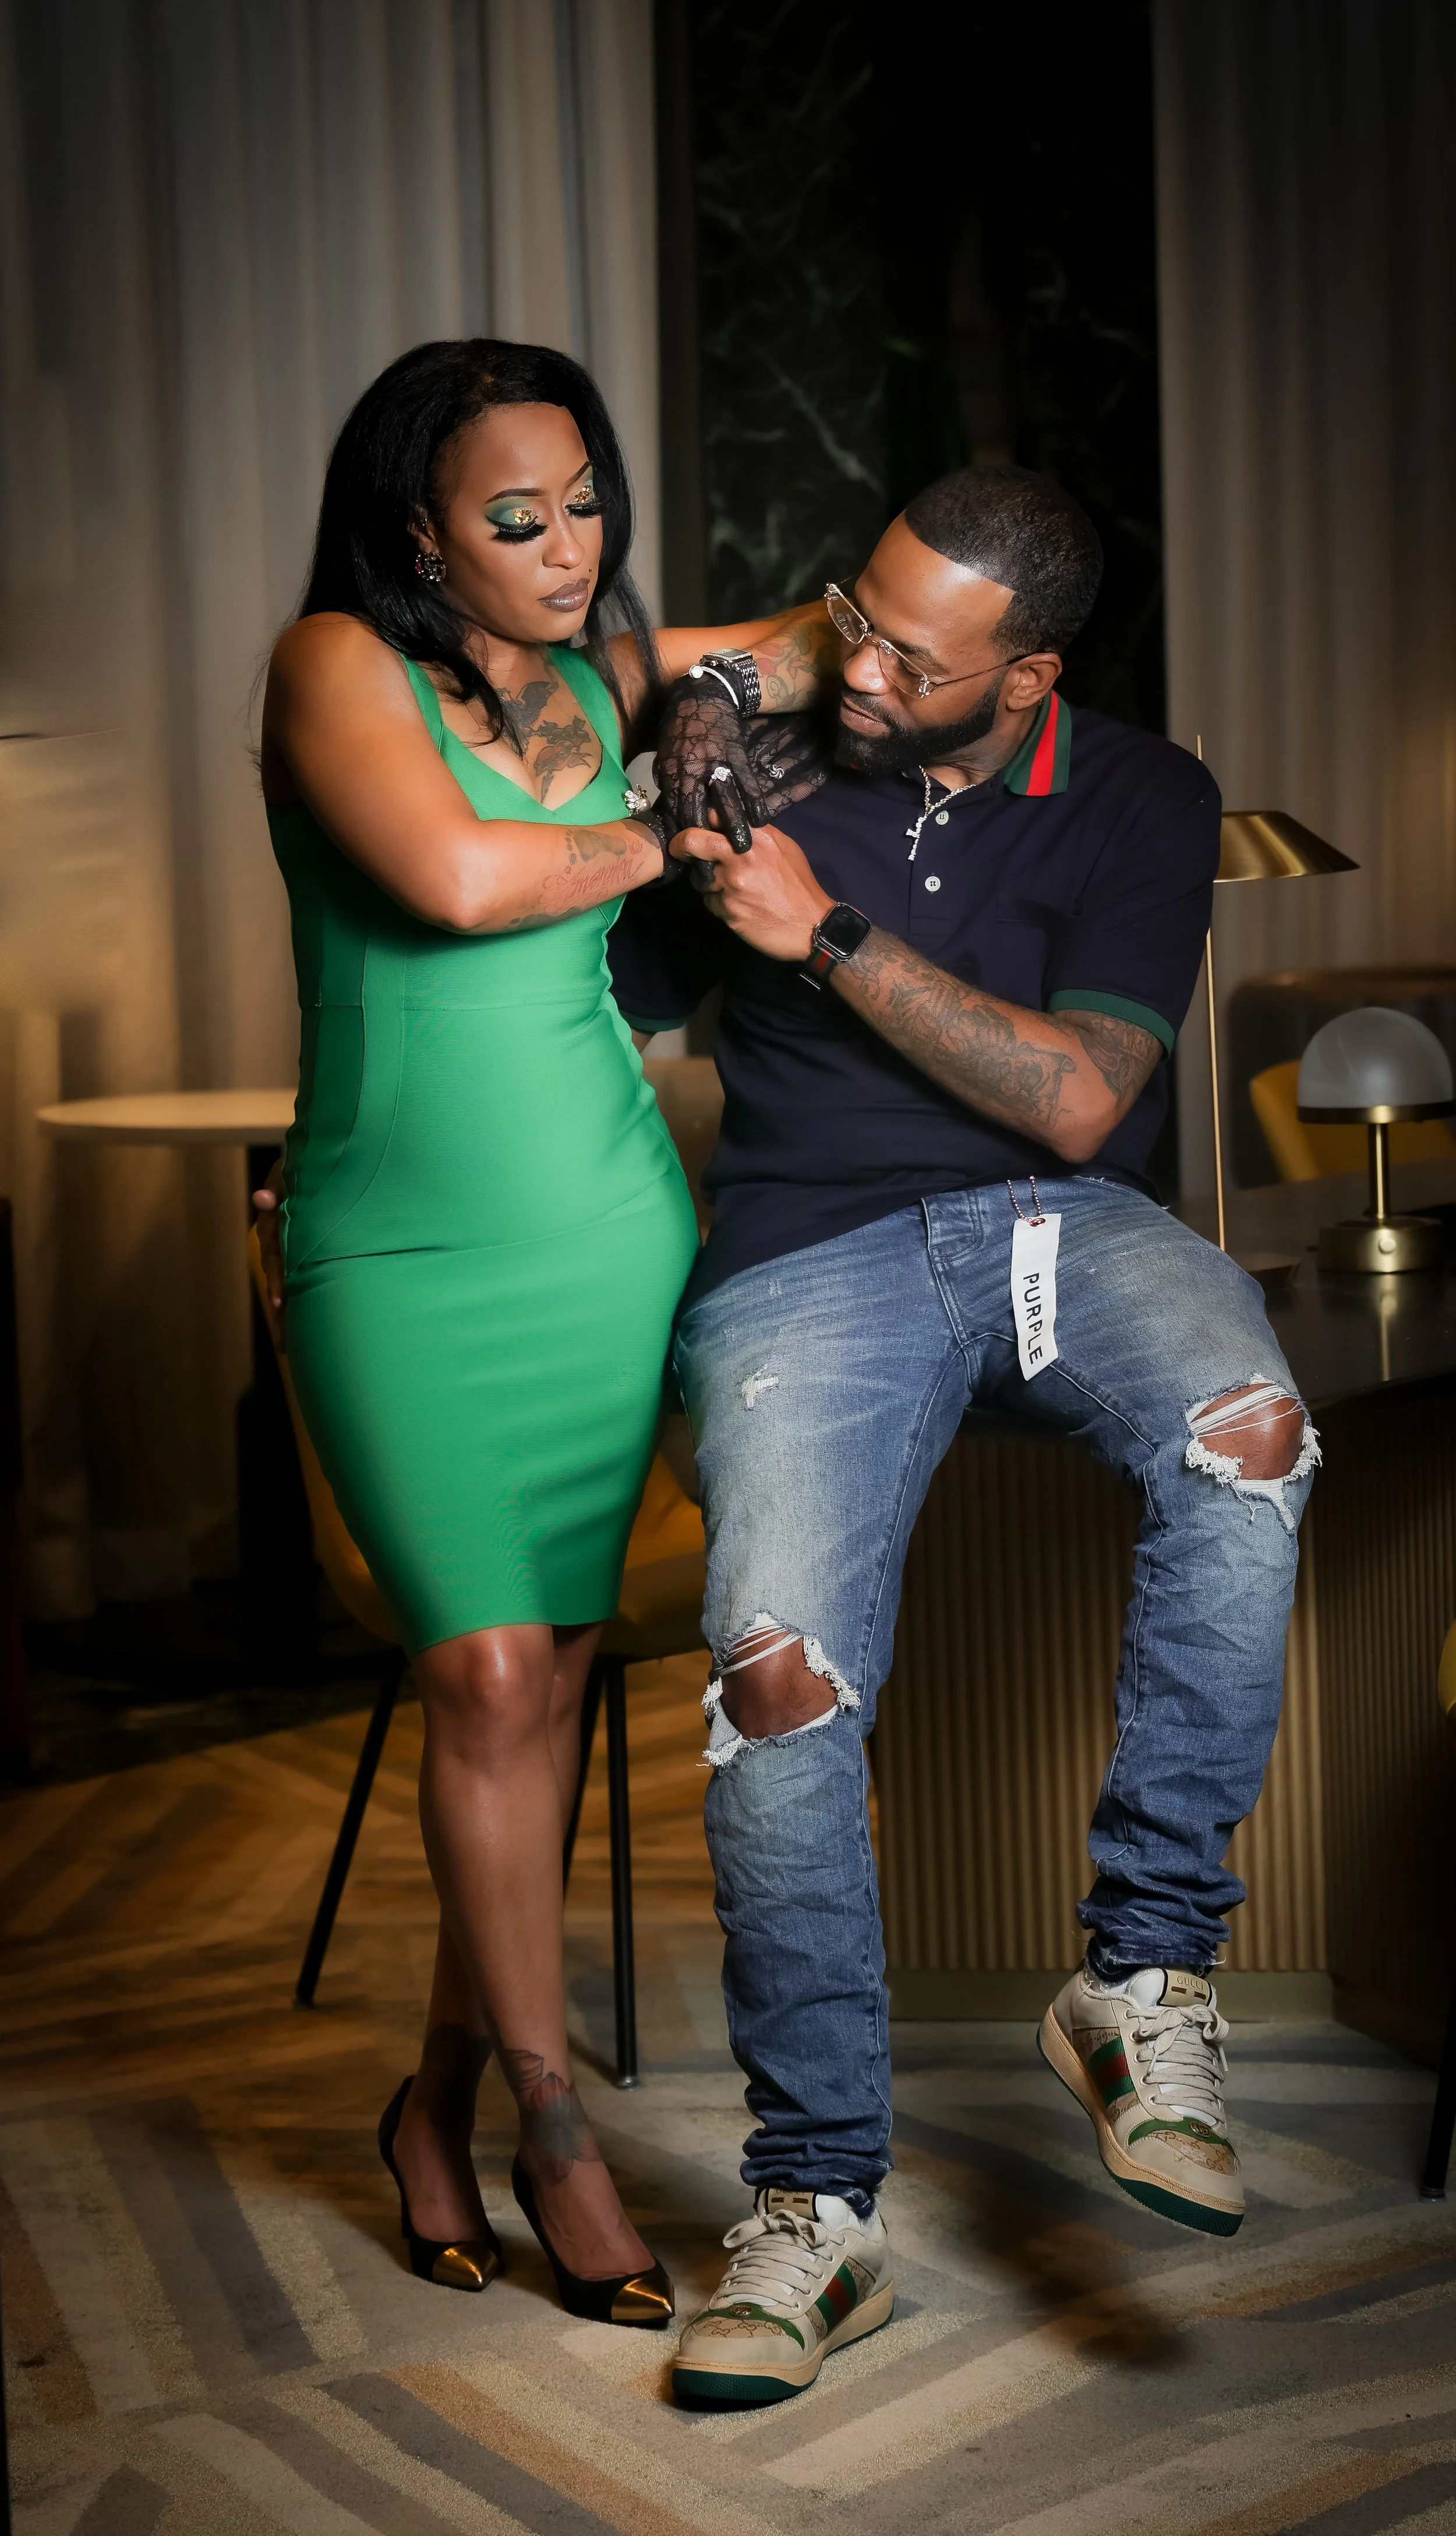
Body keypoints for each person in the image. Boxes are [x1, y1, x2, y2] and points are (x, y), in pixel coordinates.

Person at [607, 464, 1318, 2403]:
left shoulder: (1140, 793)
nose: (865, 667)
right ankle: (815, 2211)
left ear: (1030, 678)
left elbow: (1085, 1106)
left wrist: (821, 935)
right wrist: (688, 757)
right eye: (857, 614)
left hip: (1063, 1231)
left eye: (918, 657)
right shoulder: (769, 736)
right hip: (803, 1259)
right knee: (773, 1685)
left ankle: (1140, 1971)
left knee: (1248, 1428)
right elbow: (612, 705)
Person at [255, 337, 840, 2325]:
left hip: (605, 1230)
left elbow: (831, 641)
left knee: (535, 1697)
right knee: (490, 1674)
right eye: (516, 516)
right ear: (419, 528)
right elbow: (459, 874)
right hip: (397, 1260)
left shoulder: (614, 672)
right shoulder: (335, 663)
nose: (569, 543)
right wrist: (683, 827)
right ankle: (552, 2127)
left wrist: (909, 615)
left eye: (587, 500)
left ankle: (438, 2108)